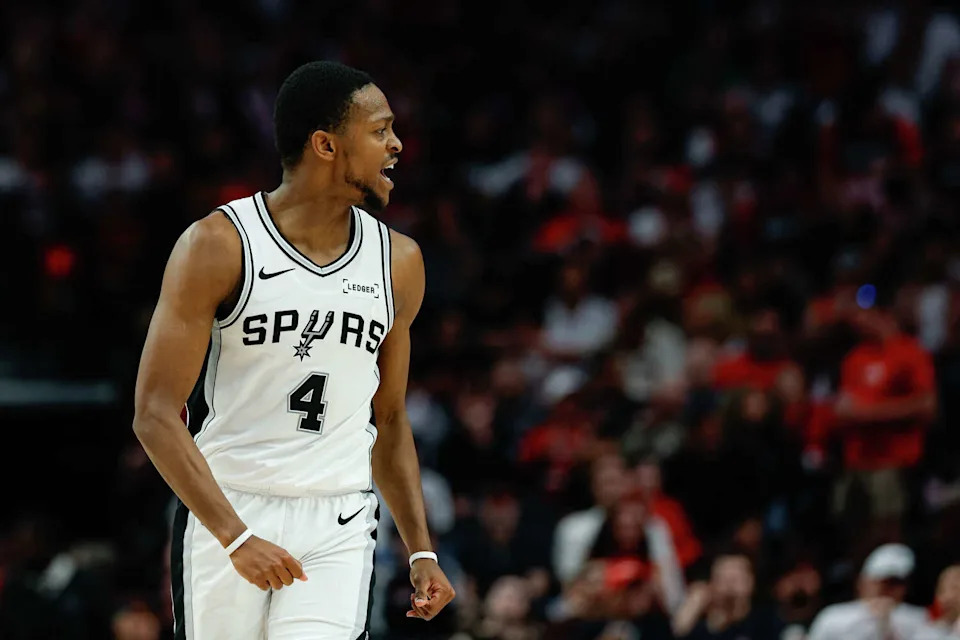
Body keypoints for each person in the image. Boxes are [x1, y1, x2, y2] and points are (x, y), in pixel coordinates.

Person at [132, 61, 455, 639]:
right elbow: (153, 413)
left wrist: (420, 550)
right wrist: (235, 536)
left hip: (339, 517)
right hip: (229, 508)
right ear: (326, 145)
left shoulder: (399, 262)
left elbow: (389, 417)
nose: (397, 145)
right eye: (379, 130)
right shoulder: (219, 245)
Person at [807, 543, 929, 640]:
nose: (886, 589)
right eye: (880, 581)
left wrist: (886, 624)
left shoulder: (920, 620)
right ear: (863, 582)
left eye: (895, 583)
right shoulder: (833, 617)